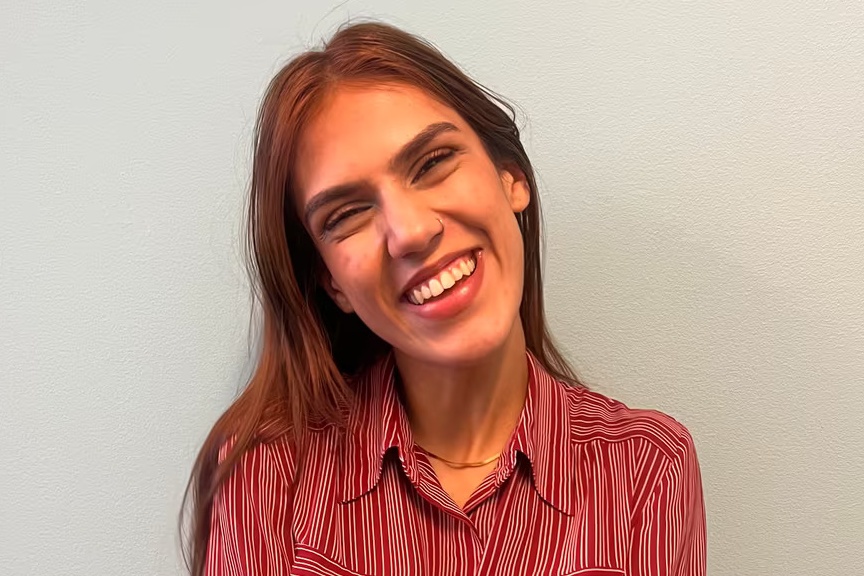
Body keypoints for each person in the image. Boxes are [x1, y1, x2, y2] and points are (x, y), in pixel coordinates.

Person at [182, 21, 706, 576]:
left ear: (510, 178)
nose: (410, 232)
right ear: (331, 281)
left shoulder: (648, 469)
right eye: (348, 214)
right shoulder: (265, 476)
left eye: (432, 162)